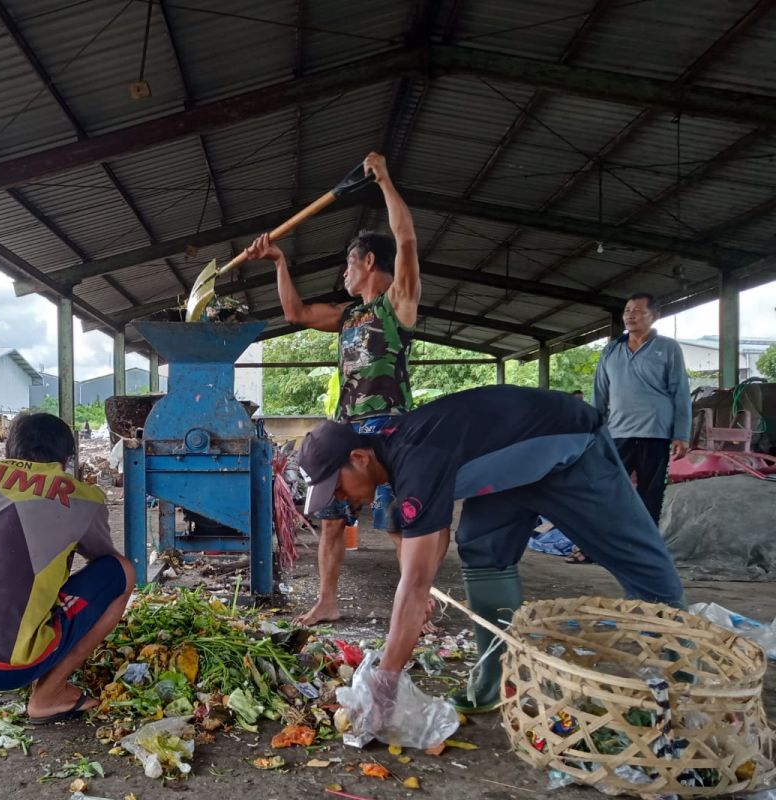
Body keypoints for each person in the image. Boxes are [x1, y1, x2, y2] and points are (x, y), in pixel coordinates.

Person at [297, 385, 684, 716]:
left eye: (339, 487)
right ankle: (496, 682)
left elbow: (415, 584)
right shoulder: (393, 451)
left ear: (360, 459)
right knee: (482, 549)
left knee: (634, 554)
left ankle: (683, 678)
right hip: (506, 473)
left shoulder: (417, 459)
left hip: (570, 448)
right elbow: (432, 540)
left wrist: (386, 681)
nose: (342, 500)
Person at [243, 151, 421, 626]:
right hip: (347, 429)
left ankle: (415, 610)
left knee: (402, 523)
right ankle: (327, 600)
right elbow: (297, 315)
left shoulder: (395, 305)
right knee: (331, 520)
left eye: (348, 264)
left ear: (366, 261)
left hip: (389, 430)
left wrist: (384, 179)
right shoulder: (348, 316)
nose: (343, 273)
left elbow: (404, 239)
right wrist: (278, 261)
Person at [0, 412, 134, 721]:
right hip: (12, 668)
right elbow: (102, 561)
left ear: (7, 450)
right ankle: (48, 694)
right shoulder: (83, 496)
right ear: (65, 459)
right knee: (121, 571)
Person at [593, 292, 692, 525]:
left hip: (655, 432)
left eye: (637, 311)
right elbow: (599, 394)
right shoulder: (610, 350)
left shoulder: (668, 348)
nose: (630, 315)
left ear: (654, 316)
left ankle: (645, 550)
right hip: (618, 432)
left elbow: (680, 392)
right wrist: (593, 430)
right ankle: (597, 547)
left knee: (651, 493)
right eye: (627, 310)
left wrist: (681, 434)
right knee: (607, 489)